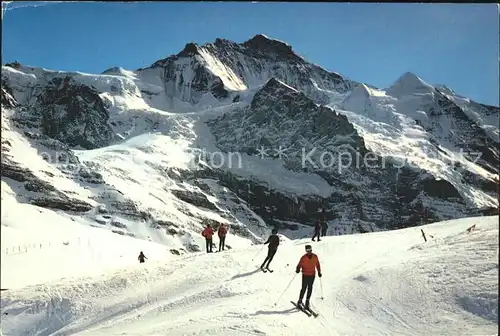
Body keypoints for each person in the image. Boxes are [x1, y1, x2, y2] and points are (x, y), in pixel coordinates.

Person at [295, 244, 322, 309]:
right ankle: (300, 301)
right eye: (307, 250)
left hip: (312, 275)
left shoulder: (315, 256)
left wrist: (319, 272)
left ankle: (307, 301)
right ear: (306, 250)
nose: (309, 251)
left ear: (311, 249)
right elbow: (299, 264)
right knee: (304, 288)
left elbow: (317, 264)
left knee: (310, 288)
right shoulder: (303, 257)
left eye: (309, 249)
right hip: (305, 275)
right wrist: (298, 269)